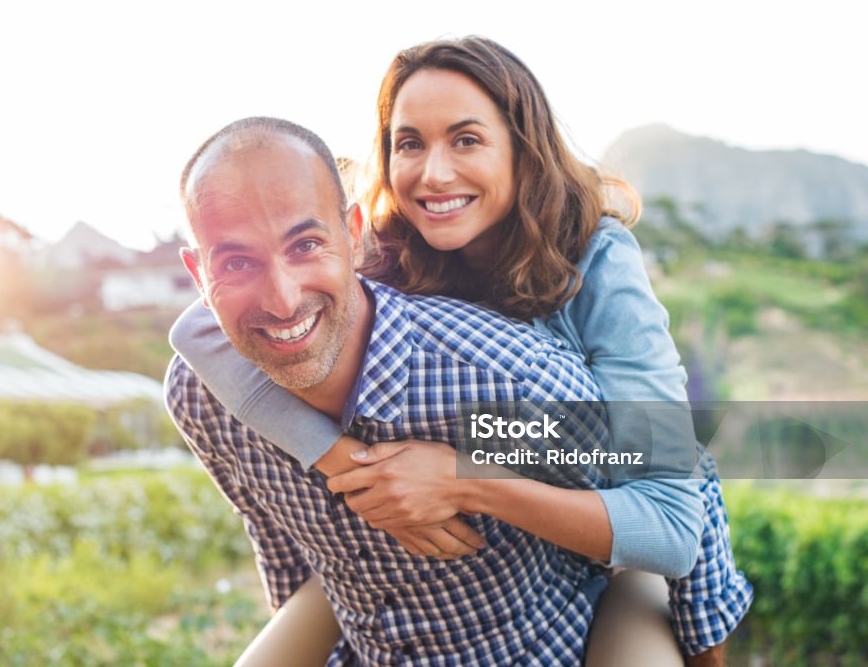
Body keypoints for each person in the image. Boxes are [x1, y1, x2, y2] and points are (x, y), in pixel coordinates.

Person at [172, 37, 751, 665]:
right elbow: (198, 331)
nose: (433, 173)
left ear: (521, 151)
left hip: (607, 498)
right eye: (410, 143)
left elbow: (665, 475)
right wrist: (342, 461)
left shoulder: (596, 261)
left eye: (466, 140)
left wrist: (464, 479)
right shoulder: (384, 250)